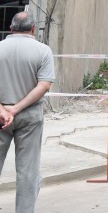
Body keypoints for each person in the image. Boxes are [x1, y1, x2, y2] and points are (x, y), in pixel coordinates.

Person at [0, 12, 56, 213]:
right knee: (27, 172)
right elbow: (44, 85)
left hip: (1, 115)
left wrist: (3, 110)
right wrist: (16, 108)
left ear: (11, 28)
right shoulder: (43, 51)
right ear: (33, 29)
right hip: (29, 116)